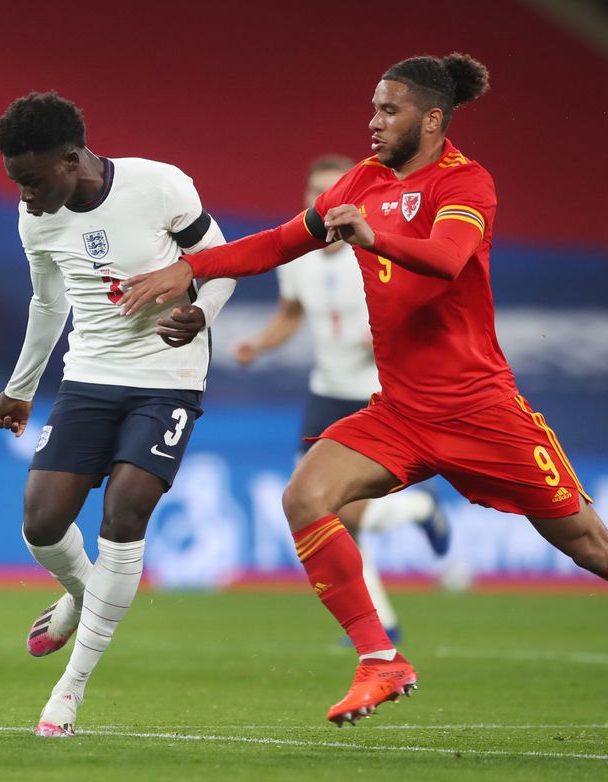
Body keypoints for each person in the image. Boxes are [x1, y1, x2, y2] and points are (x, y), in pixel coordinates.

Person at [120, 53, 608, 740]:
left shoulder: (468, 182)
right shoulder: (360, 184)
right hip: (400, 410)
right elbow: (278, 244)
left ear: (430, 118)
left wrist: (377, 236)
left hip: (481, 409)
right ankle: (380, 658)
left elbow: (450, 259)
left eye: (388, 110)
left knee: (590, 543)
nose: (373, 123)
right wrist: (187, 267)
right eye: (371, 108)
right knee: (304, 497)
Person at [0, 91, 235, 737]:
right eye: (16, 182)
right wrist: (21, 388)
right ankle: (82, 594)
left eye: (33, 181)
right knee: (41, 523)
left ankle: (67, 694)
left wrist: (200, 315)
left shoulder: (160, 185)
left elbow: (224, 266)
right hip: (90, 378)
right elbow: (48, 306)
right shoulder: (34, 221)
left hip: (168, 377)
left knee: (124, 511)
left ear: (72, 160)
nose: (24, 195)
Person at [232, 154, 451, 645]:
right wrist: (259, 344)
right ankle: (386, 619)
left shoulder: (375, 251)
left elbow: (426, 310)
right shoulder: (299, 259)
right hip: (324, 391)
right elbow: (290, 314)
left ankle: (418, 511)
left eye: (334, 191)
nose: (323, 201)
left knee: (339, 510)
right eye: (316, 192)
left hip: (374, 393)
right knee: (322, 511)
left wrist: (383, 337)